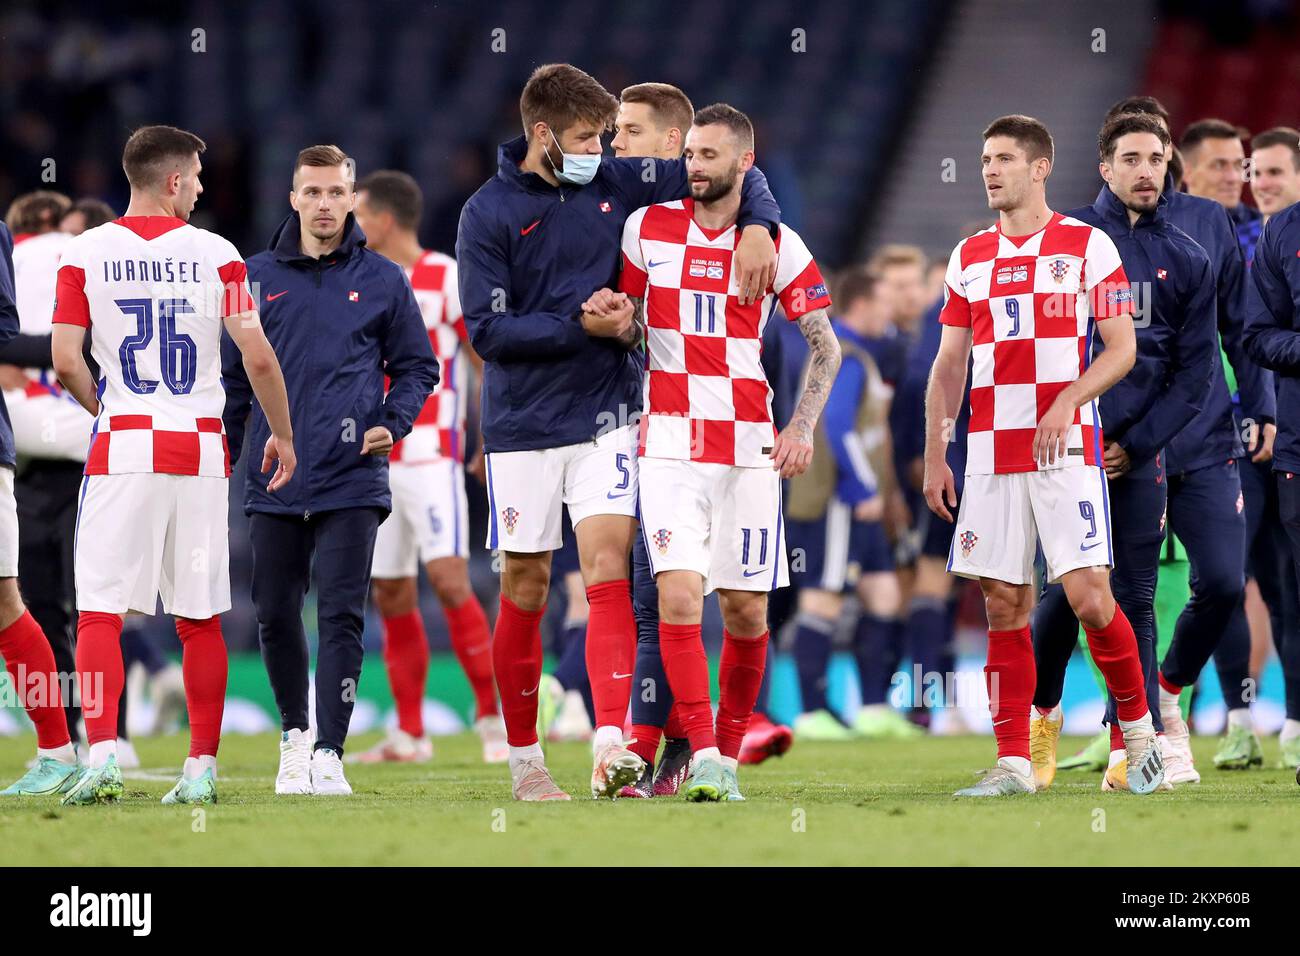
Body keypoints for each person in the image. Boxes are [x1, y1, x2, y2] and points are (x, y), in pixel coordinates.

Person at [456, 63, 780, 801]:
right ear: (542, 135)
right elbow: (486, 332)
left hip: (608, 416)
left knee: (604, 571)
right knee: (527, 586)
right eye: (582, 137)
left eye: (605, 136)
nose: (600, 150)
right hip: (520, 424)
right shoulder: (489, 211)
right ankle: (525, 762)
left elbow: (730, 171)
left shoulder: (618, 183)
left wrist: (760, 225)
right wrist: (580, 324)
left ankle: (611, 749)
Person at [50, 124, 296, 806]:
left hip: (125, 442)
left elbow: (66, 358)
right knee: (198, 616)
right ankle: (199, 771)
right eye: (196, 175)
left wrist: (110, 408)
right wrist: (283, 435)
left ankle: (101, 755)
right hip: (199, 445)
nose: (202, 187)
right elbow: (259, 356)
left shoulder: (84, 252)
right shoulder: (221, 256)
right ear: (172, 181)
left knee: (98, 610)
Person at [924, 114, 1163, 798]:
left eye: (1002, 159)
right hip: (990, 453)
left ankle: (1141, 738)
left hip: (1066, 451)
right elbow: (949, 365)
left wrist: (1066, 401)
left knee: (1090, 598)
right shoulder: (968, 255)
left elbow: (1122, 349)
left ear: (1039, 168)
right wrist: (936, 451)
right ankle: (1013, 766)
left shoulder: (1090, 247)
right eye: (984, 160)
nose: (990, 171)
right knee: (1003, 601)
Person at [615, 102, 840, 801]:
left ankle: (725, 759)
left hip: (750, 449)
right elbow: (629, 327)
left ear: (745, 162)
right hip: (669, 445)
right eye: (691, 155)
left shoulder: (780, 245)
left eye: (711, 156)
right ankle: (703, 752)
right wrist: (618, 327)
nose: (696, 167)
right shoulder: (645, 229)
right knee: (677, 597)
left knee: (746, 613)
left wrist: (801, 427)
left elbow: (826, 347)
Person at [222, 145, 438, 797]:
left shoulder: (382, 281)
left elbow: (418, 367)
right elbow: (233, 381)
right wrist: (229, 459)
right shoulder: (251, 276)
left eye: (335, 193)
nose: (323, 204)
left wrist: (392, 422)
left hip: (353, 475)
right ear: (292, 198)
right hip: (273, 474)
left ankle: (329, 751)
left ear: (352, 200)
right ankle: (293, 737)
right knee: (276, 612)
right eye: (310, 192)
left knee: (342, 614)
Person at [1031, 113, 1220, 791]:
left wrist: (1135, 446)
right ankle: (1043, 716)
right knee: (1063, 596)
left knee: (1134, 595)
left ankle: (1128, 747)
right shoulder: (1065, 242)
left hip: (1140, 457)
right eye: (1131, 158)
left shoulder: (1191, 259)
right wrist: (1082, 432)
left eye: (1156, 158)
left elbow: (1194, 375)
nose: (1146, 170)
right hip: (1064, 448)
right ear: (1105, 167)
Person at [344, 169, 505, 766]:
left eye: (359, 213)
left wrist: (491, 436)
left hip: (433, 455)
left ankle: (493, 720)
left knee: (449, 580)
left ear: (384, 220)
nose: (351, 225)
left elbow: (484, 360)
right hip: (373, 459)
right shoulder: (358, 278)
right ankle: (410, 733)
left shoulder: (445, 276)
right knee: (389, 591)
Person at [787, 268, 907, 741]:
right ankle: (812, 712)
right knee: (823, 599)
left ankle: (874, 707)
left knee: (884, 595)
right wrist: (863, 490)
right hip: (839, 501)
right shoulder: (845, 357)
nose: (889, 312)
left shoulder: (856, 356)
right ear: (861, 305)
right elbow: (837, 428)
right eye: (882, 303)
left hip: (861, 503)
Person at [1240, 127, 1300, 767]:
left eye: (1275, 171)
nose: (1262, 183)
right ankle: (1278, 719)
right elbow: (1255, 336)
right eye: (1256, 172)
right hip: (1283, 443)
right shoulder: (1274, 238)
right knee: (1275, 584)